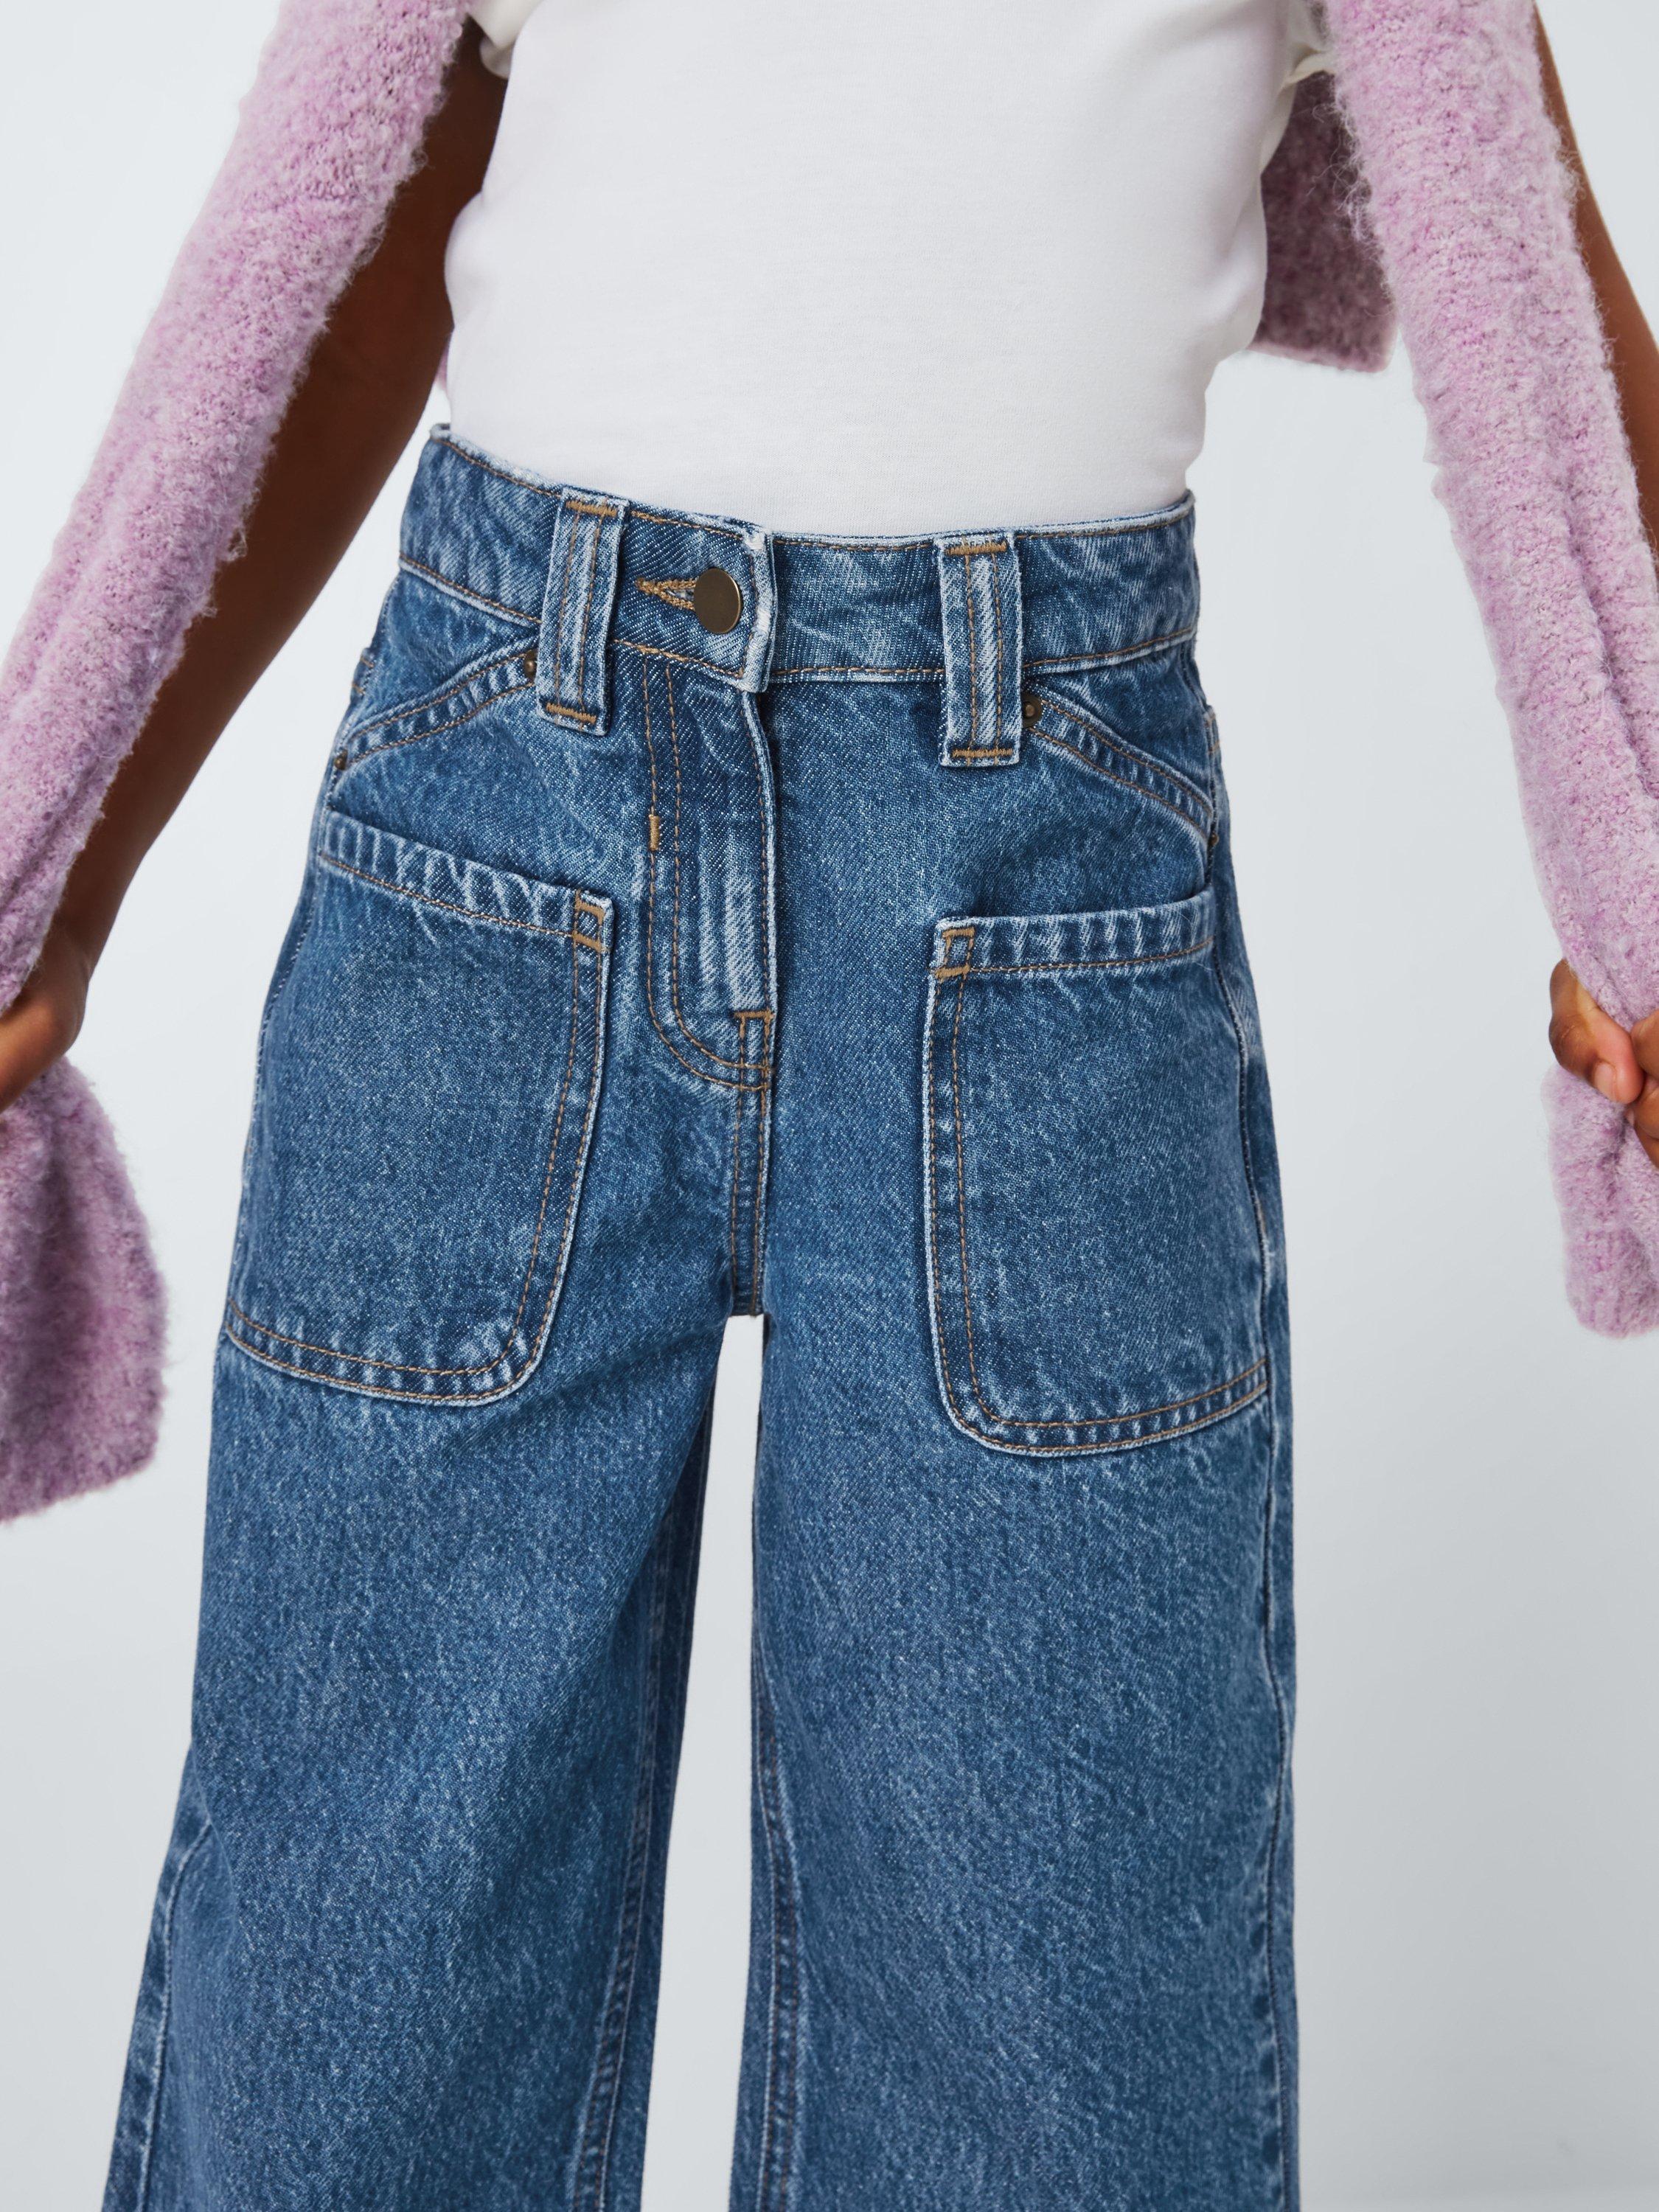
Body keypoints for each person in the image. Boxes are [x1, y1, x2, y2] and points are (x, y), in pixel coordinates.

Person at [0, 5, 1653, 2207]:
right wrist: (68, 859)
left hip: (1042, 879)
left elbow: (1531, 275)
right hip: (501, 824)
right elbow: (349, 230)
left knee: (1055, 1968)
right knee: (361, 1947)